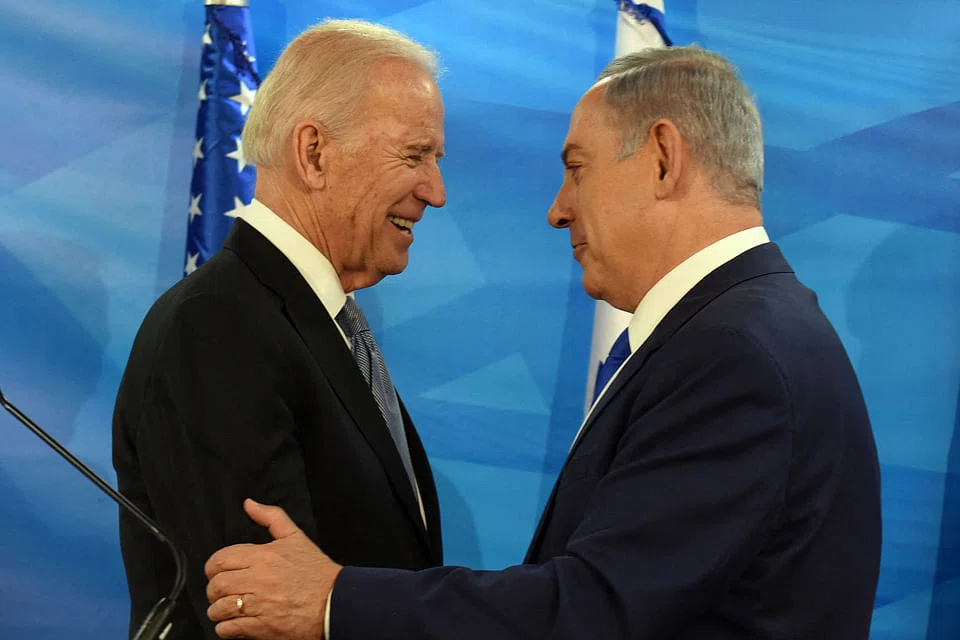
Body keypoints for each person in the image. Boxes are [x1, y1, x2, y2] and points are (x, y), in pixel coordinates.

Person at [203, 46, 882, 640]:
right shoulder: (751, 328)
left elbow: (595, 610)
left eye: (577, 168)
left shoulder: (734, 354)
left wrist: (332, 601)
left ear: (663, 158)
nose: (558, 209)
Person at [112, 19, 447, 639]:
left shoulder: (320, 324)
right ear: (314, 153)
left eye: (436, 159)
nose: (436, 191)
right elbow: (257, 616)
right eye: (414, 155)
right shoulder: (219, 328)